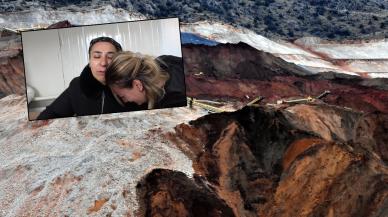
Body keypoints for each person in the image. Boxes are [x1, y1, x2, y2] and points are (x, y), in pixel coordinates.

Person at [37, 36, 132, 120]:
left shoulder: (132, 85)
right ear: (90, 62)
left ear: (119, 62)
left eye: (110, 57)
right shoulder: (77, 85)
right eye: (97, 56)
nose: (103, 63)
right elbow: (52, 113)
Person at [105, 51, 187, 110]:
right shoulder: (162, 61)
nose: (125, 101)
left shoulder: (179, 100)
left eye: (123, 97)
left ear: (138, 85)